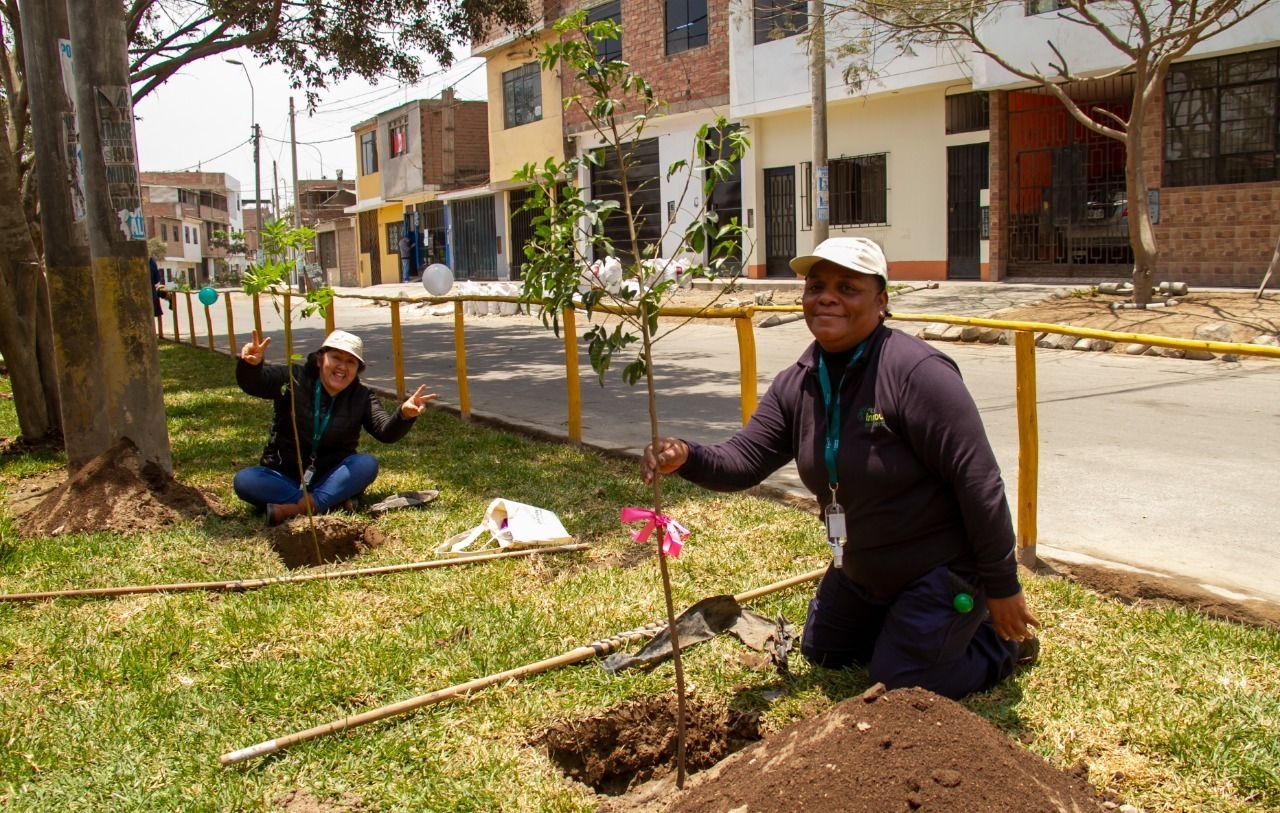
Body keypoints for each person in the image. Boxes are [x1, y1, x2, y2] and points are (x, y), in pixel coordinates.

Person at [643, 237, 1039, 700]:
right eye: (816, 286)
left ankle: (998, 647)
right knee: (825, 652)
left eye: (848, 287)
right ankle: (910, 626)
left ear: (882, 300)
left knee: (903, 684)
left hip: (939, 568)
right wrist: (686, 454)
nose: (827, 297)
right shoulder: (801, 381)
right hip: (861, 567)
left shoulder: (917, 372)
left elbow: (979, 480)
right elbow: (745, 461)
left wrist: (1002, 584)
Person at [233, 329, 436, 524]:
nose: (342, 367)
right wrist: (252, 366)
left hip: (330, 479)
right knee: (245, 480)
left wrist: (404, 414)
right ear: (320, 359)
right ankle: (332, 503)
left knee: (366, 464)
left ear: (357, 370)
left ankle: (295, 508)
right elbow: (256, 384)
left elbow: (385, 432)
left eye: (350, 362)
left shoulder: (362, 396)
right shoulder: (293, 378)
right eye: (336, 358)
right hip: (283, 476)